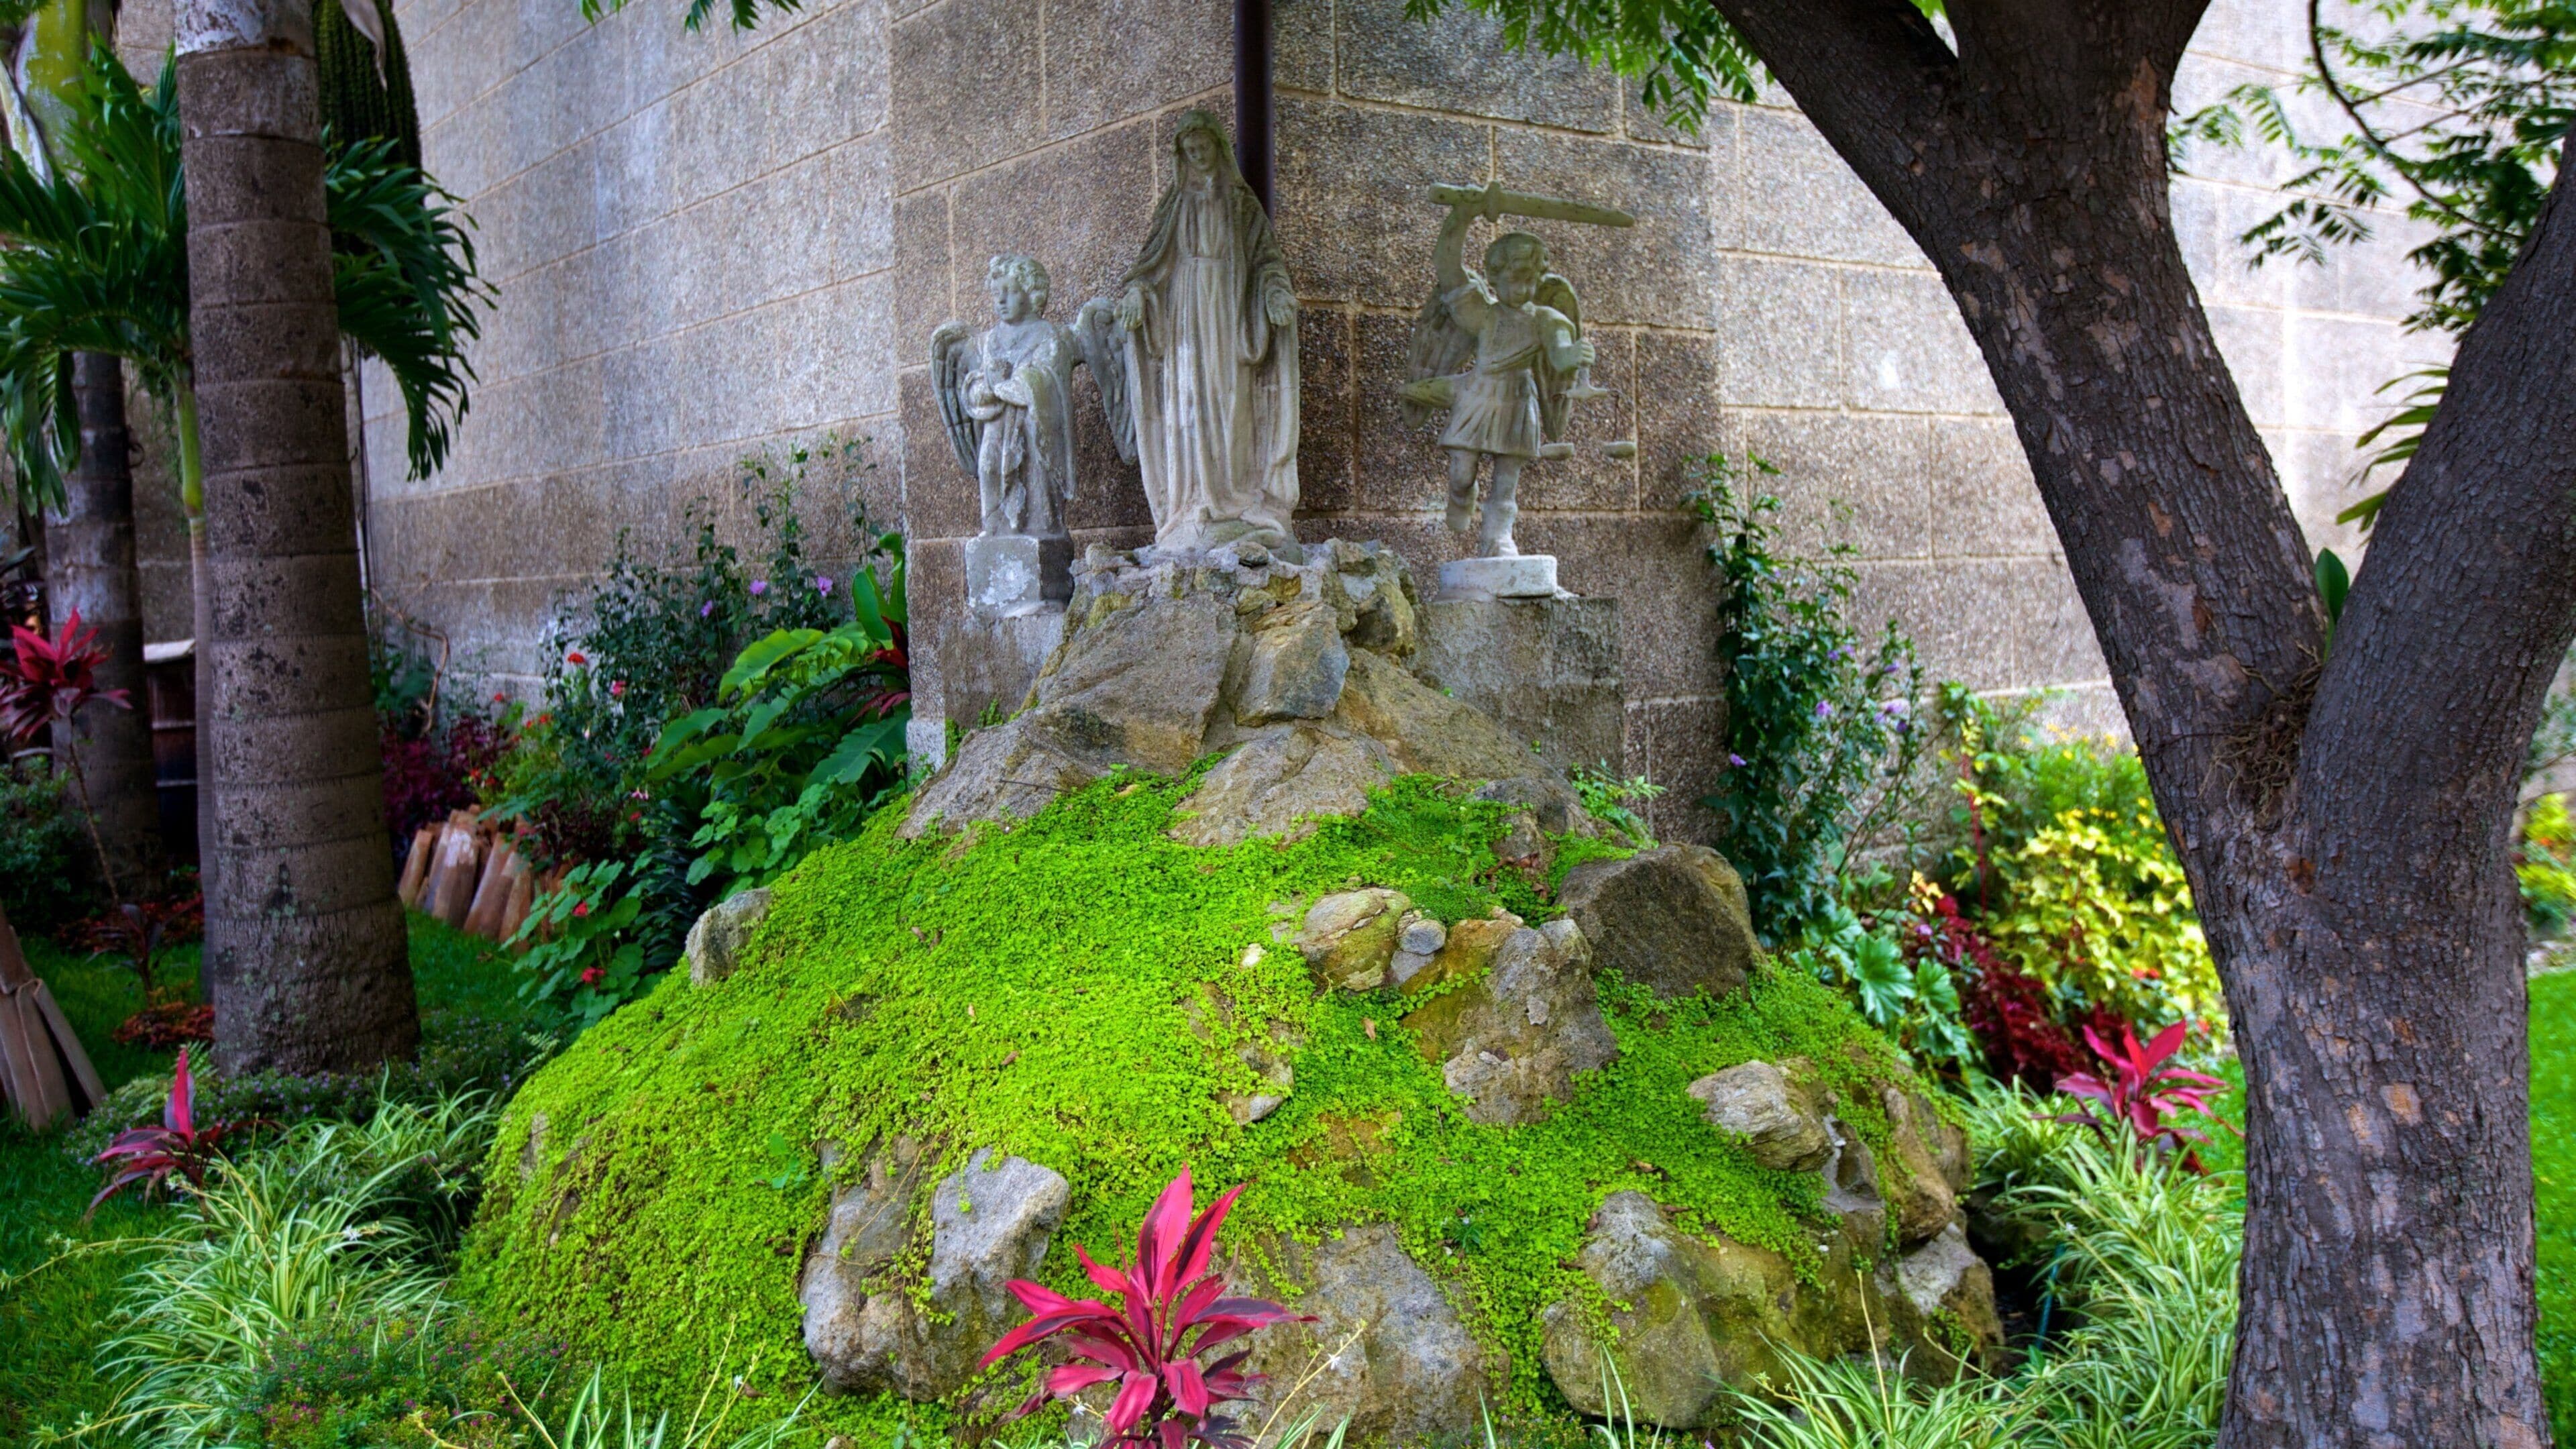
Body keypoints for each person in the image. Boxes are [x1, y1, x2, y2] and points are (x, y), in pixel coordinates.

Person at [1114, 110, 1301, 557]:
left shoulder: (1241, 204)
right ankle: (1192, 504)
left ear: (1218, 147)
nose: (1198, 156)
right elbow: (1147, 267)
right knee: (1188, 406)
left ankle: (1233, 504)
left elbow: (1267, 261)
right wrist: (1138, 295)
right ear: (1182, 155)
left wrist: (1275, 295)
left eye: (1204, 147)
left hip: (1230, 313)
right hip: (1184, 319)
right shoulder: (1174, 204)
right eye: (1190, 150)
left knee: (1229, 404)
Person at [1416, 200, 1594, 557]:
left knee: (1507, 479)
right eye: (1514, 280)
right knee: (1462, 473)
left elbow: (1559, 357)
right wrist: (1461, 215)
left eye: (1530, 281)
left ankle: (1498, 538)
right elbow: (1447, 267)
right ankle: (1461, 496)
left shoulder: (1547, 319)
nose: (1522, 289)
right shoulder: (1482, 314)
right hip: (1478, 397)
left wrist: (1574, 356)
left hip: (1517, 402)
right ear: (1495, 278)